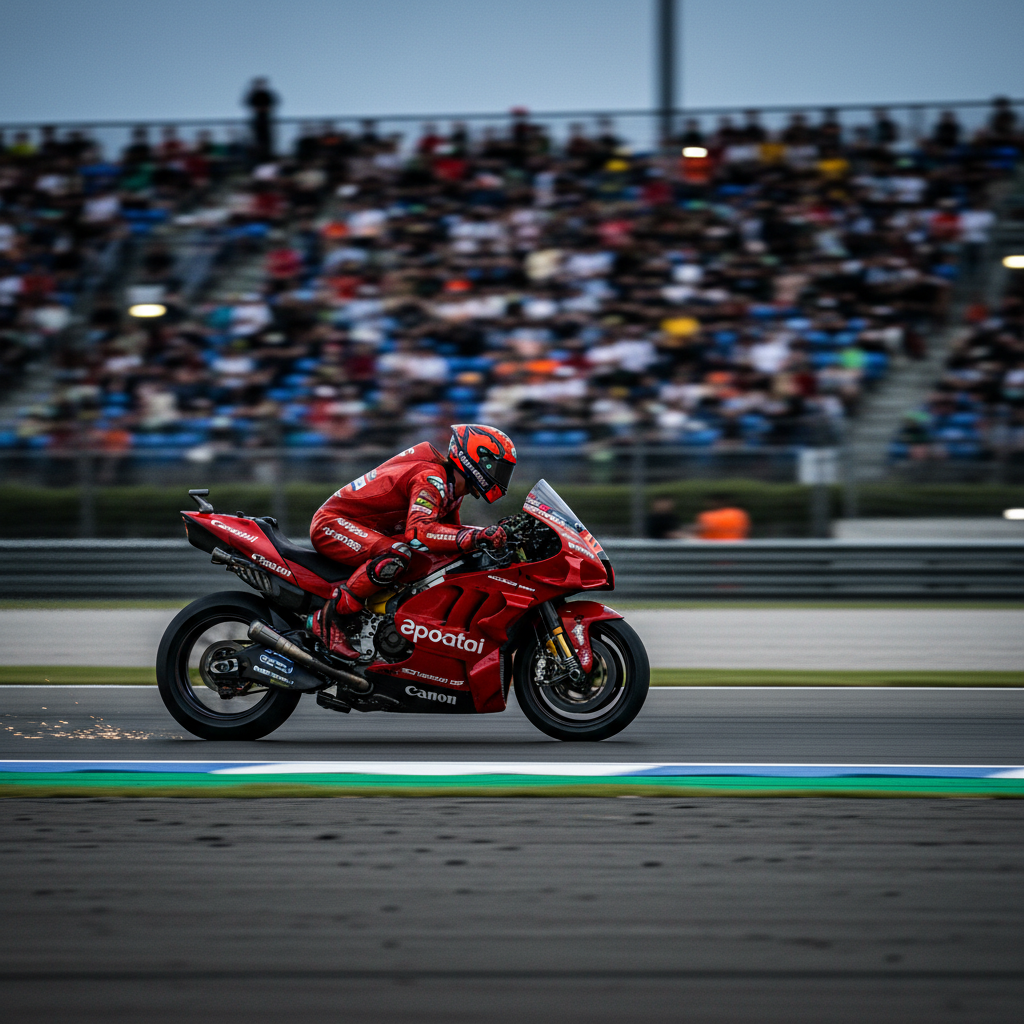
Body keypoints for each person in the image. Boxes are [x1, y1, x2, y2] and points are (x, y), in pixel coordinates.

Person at [308, 424, 517, 659]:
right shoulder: (431, 478)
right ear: (474, 458)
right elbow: (419, 533)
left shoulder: (452, 489)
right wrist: (477, 536)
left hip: (367, 531)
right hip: (332, 524)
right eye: (495, 467)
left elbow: (449, 535)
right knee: (396, 553)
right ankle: (329, 619)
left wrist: (492, 534)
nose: (499, 476)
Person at [245, 77, 278, 163]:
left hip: (267, 120)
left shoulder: (267, 94)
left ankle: (268, 157)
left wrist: (264, 109)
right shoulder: (253, 95)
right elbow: (248, 103)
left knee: (268, 140)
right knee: (257, 139)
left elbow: (272, 105)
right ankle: (259, 157)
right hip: (257, 120)